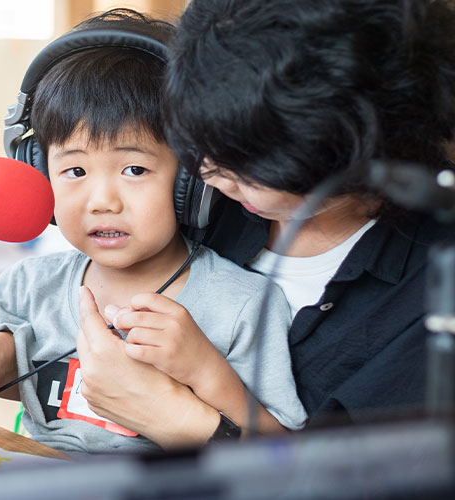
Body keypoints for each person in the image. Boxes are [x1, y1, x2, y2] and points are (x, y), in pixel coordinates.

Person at [0, 8, 307, 454]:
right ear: (40, 175)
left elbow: (287, 455)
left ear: (191, 181)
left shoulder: (243, 305)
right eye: (75, 171)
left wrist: (207, 372)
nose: (101, 200)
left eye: (133, 169)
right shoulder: (29, 288)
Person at [73, 0, 455, 440]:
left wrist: (178, 420)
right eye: (199, 144)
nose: (208, 174)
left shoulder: (429, 298)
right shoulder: (200, 204)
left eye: (244, 163)